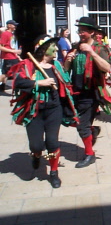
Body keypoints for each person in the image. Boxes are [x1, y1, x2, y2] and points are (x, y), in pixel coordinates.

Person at [10, 35, 78, 188]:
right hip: (34, 111)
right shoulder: (28, 64)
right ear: (44, 50)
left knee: (52, 142)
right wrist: (39, 82)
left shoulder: (56, 65)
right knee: (36, 145)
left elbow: (65, 79)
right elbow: (18, 82)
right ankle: (36, 155)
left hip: (54, 109)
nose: (56, 49)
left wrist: (68, 63)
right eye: (53, 47)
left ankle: (53, 173)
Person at [64, 17, 111, 168]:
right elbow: (66, 70)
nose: (81, 33)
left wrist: (91, 53)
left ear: (92, 32)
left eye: (84, 31)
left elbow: (107, 68)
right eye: (79, 30)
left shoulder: (100, 48)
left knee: (82, 126)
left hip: (92, 92)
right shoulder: (76, 46)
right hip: (76, 90)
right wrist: (69, 59)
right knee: (67, 118)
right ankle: (92, 130)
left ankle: (90, 154)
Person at [0, 20, 22, 91]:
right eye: (13, 25)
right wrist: (13, 51)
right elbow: (1, 47)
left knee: (8, 73)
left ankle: (2, 86)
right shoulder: (5, 34)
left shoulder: (12, 34)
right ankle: (17, 88)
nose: (15, 26)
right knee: (8, 74)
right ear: (9, 25)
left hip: (13, 56)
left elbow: (11, 46)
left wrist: (17, 55)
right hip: (8, 57)